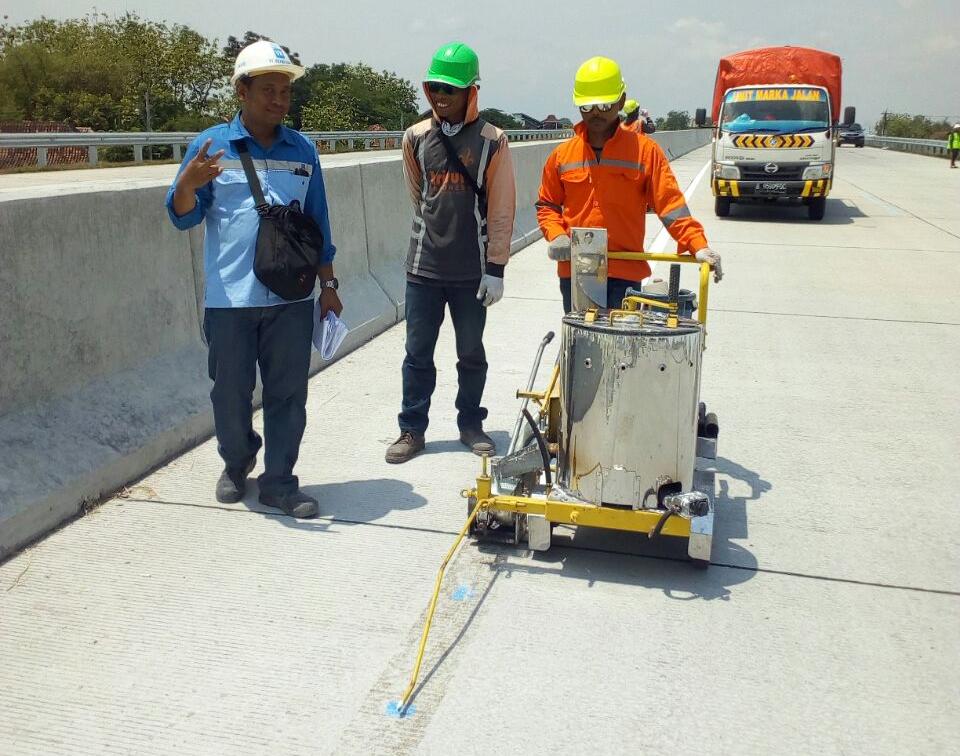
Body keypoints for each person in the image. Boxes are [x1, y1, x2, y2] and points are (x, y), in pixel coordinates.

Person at [165, 40, 341, 519]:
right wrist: (186, 186)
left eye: (285, 91)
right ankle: (237, 459)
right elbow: (183, 218)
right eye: (269, 90)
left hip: (291, 296)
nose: (280, 101)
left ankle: (280, 481)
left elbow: (318, 223)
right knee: (229, 392)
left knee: (288, 393)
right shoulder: (211, 146)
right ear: (242, 90)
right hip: (230, 298)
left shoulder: (304, 150)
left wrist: (328, 287)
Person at [385, 42, 517, 464]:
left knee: (470, 352)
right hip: (423, 268)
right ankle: (411, 429)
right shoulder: (415, 137)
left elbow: (501, 207)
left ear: (471, 91)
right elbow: (417, 194)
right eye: (435, 87)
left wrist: (495, 267)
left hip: (471, 272)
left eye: (451, 88)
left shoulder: (493, 142)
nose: (441, 96)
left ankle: (470, 423)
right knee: (417, 353)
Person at [537, 56, 721, 313]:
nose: (596, 113)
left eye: (604, 104)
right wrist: (556, 235)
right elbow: (546, 206)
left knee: (620, 347)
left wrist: (698, 245)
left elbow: (671, 206)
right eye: (587, 107)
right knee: (582, 346)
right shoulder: (562, 156)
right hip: (578, 269)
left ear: (621, 101)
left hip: (625, 269)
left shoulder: (644, 152)